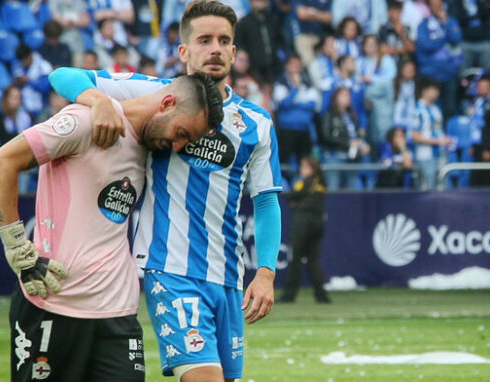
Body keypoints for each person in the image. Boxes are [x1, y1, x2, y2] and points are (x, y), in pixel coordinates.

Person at [47, 1, 283, 380]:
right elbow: (62, 75)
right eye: (205, 40)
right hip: (171, 270)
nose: (216, 49)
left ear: (235, 52)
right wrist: (99, 101)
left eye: (224, 41)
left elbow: (266, 200)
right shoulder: (154, 93)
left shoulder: (256, 122)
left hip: (228, 277)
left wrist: (267, 272)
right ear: (184, 51)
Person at [0, 72, 222, 381]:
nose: (178, 146)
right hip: (54, 302)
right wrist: (16, 247)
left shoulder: (150, 149)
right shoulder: (86, 121)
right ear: (166, 103)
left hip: (118, 313)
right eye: (181, 133)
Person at [277, 156, 330, 303]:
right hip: (318, 222)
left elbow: (292, 196)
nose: (302, 169)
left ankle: (289, 295)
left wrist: (297, 201)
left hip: (302, 222)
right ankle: (321, 295)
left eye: (304, 167)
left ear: (312, 168)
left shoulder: (304, 183)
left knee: (295, 258)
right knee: (313, 259)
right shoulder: (322, 183)